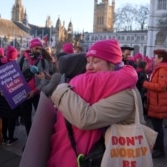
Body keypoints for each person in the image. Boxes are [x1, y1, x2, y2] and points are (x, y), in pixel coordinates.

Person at [49, 39, 147, 167]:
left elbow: (87, 118)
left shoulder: (126, 94)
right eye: (88, 61)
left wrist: (61, 90)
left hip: (122, 155)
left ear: (112, 64)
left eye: (96, 62)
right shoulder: (106, 86)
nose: (89, 67)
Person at [143, 49, 167, 158]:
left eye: (156, 57)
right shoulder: (160, 69)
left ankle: (159, 150)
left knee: (157, 128)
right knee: (157, 127)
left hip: (159, 102)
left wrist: (145, 84)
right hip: (157, 101)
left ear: (161, 59)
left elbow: (161, 86)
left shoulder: (162, 70)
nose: (154, 59)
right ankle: (158, 148)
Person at [17, 38, 49, 135]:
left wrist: (35, 91)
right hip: (24, 94)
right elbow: (16, 77)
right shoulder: (21, 60)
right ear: (31, 48)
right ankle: (29, 139)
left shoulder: (44, 62)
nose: (39, 51)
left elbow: (45, 80)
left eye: (40, 49)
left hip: (38, 93)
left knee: (41, 118)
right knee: (27, 119)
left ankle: (39, 139)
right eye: (36, 48)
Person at [0, 46, 20, 145]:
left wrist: (0, 89)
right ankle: (10, 138)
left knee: (4, 117)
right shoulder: (15, 65)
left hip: (1, 95)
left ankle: (4, 137)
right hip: (12, 95)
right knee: (11, 117)